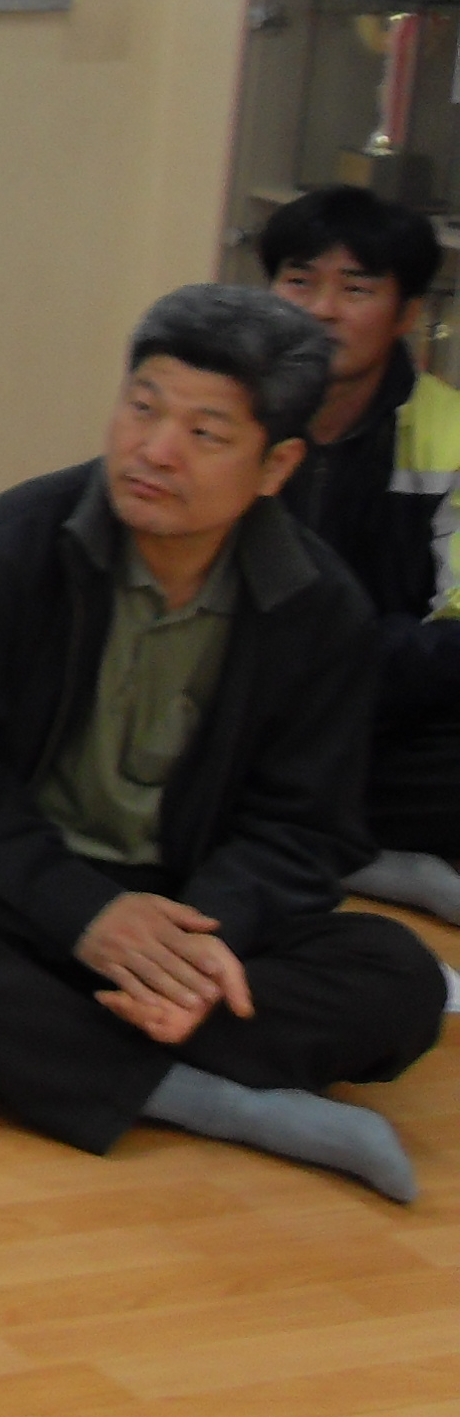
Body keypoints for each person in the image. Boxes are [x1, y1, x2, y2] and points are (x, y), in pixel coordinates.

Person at [0, 283, 445, 1202]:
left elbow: (307, 827)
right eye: (142, 408)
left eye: (206, 433)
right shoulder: (5, 550)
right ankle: (210, 1101)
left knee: (399, 980)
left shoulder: (320, 608)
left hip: (185, 909)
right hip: (9, 891)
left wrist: (195, 952)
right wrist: (84, 914)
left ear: (277, 464)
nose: (155, 451)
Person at [257, 185, 460, 921]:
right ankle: (361, 858)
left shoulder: (448, 433)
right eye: (299, 280)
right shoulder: (225, 416)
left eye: (356, 288)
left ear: (407, 314)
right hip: (233, 707)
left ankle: (307, 841)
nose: (321, 310)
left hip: (382, 719)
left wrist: (335, 663)